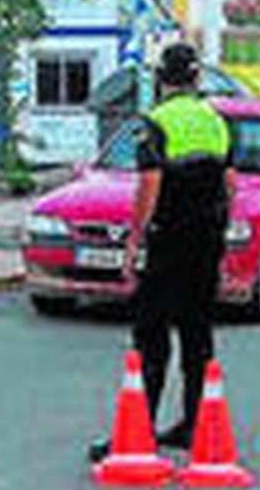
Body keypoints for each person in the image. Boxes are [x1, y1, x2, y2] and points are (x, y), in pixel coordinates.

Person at [89, 43, 233, 463]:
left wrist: (134, 242)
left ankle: (139, 430)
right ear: (196, 79)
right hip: (207, 240)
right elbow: (230, 185)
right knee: (197, 335)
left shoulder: (155, 123)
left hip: (168, 240)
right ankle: (194, 425)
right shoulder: (216, 121)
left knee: (151, 334)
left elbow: (149, 185)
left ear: (161, 80)